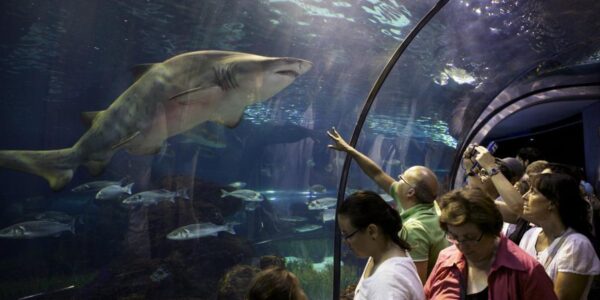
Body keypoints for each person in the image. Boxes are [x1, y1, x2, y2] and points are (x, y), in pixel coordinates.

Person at [327, 127, 447, 283]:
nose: (397, 179)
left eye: (402, 178)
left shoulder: (415, 230)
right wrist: (349, 150)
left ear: (410, 192)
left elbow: (418, 282)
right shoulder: (428, 204)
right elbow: (377, 174)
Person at [424, 188, 557, 300]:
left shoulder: (525, 272)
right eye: (454, 237)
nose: (462, 246)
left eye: (470, 237)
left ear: (492, 229)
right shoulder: (446, 259)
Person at [519, 172, 600, 299]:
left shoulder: (576, 245)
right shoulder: (529, 235)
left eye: (533, 192)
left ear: (552, 203)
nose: (524, 196)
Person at [338, 191, 425, 300]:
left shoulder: (387, 283)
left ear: (372, 231)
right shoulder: (385, 253)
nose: (345, 242)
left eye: (347, 235)